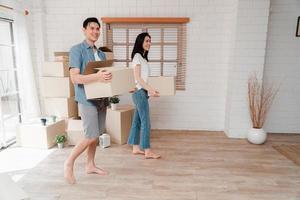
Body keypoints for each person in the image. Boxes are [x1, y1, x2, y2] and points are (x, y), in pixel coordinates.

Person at [64, 17, 112, 184]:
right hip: (87, 99)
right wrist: (98, 76)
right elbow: (75, 78)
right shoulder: (77, 50)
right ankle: (69, 163)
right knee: (90, 135)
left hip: (101, 100)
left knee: (96, 135)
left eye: (98, 29)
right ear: (84, 30)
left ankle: (90, 165)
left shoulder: (101, 53)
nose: (95, 31)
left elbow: (105, 78)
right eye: (92, 28)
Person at [127, 32, 161, 159]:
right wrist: (150, 89)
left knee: (137, 121)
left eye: (150, 41)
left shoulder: (143, 58)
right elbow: (138, 78)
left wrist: (149, 90)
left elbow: (142, 79)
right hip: (140, 93)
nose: (149, 43)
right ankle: (147, 150)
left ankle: (135, 147)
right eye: (146, 41)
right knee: (146, 122)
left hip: (142, 92)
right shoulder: (137, 57)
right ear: (140, 42)